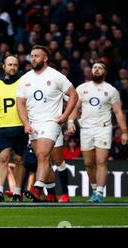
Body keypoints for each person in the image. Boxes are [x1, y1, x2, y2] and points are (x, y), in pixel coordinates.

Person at [16, 45, 78, 202]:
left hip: (51, 121)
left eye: (37, 55)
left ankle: (36, 188)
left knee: (43, 155)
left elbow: (73, 95)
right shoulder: (25, 78)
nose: (33, 58)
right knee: (42, 159)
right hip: (33, 123)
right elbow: (20, 103)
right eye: (32, 55)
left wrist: (65, 116)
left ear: (45, 58)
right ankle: (51, 194)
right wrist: (25, 123)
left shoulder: (56, 76)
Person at [67, 61, 128, 203]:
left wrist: (124, 131)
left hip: (103, 128)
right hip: (86, 128)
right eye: (95, 67)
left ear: (104, 73)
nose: (96, 70)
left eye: (100, 68)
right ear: (91, 71)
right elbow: (75, 108)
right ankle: (95, 190)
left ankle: (100, 193)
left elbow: (118, 112)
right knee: (89, 163)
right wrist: (70, 122)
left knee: (101, 161)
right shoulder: (82, 88)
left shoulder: (112, 90)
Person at [0, 55, 27, 202]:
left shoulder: (24, 82)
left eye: (15, 65)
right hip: (2, 126)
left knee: (19, 159)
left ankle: (18, 192)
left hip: (20, 125)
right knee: (3, 157)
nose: (13, 67)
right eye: (10, 64)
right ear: (3, 66)